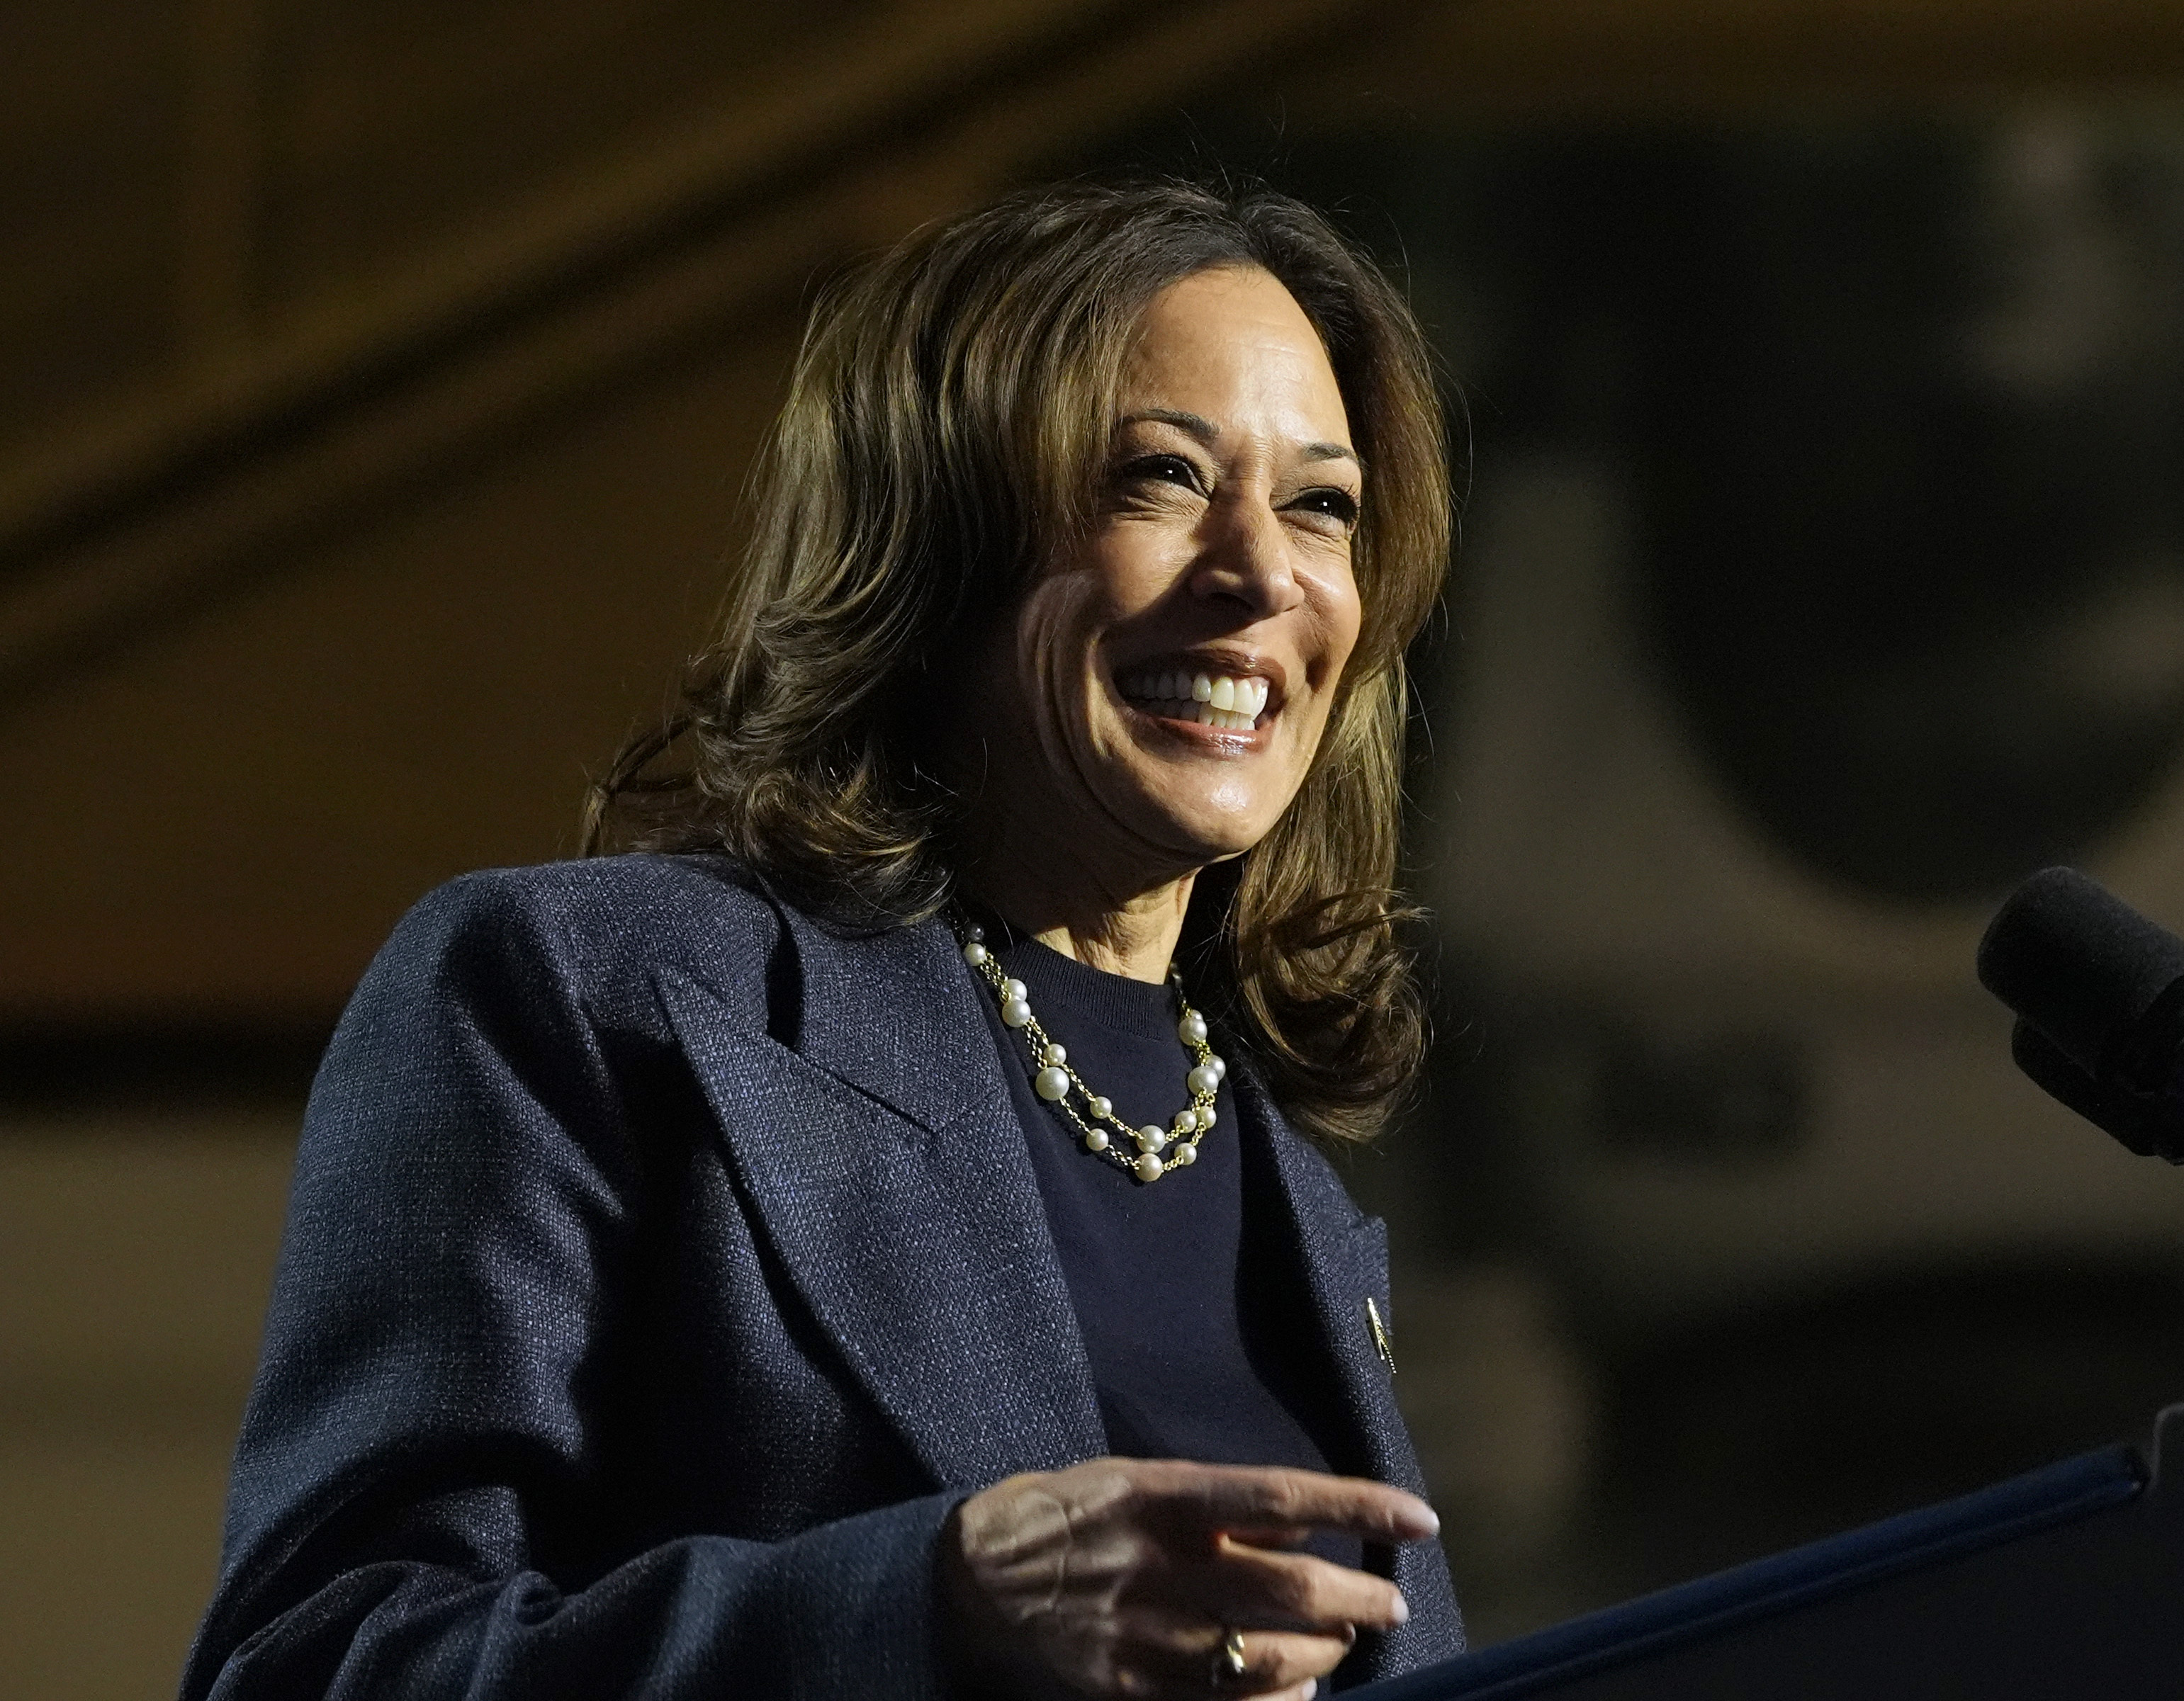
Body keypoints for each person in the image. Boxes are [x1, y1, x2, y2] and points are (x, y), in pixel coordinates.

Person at [181, 178, 1462, 1700]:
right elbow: (314, 1667)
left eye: (1320, 505)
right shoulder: (578, 1000)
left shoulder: (1299, 1206)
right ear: (941, 531)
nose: (1263, 573)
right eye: (1159, 478)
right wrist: (929, 1603)